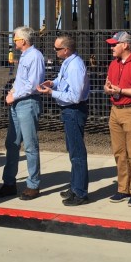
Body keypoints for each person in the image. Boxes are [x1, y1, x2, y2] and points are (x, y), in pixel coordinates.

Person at [0, 26, 45, 201]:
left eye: (15, 39)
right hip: (17, 102)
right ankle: (9, 183)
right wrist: (12, 92)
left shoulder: (35, 56)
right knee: (12, 143)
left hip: (28, 103)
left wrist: (14, 95)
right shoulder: (24, 56)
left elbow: (33, 84)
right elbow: (20, 80)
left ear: (23, 40)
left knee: (30, 145)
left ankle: (33, 185)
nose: (14, 42)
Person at [37, 35, 90, 206]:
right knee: (73, 150)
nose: (55, 51)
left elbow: (74, 97)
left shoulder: (75, 66)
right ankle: (75, 187)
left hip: (74, 110)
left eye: (57, 48)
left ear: (66, 50)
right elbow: (62, 80)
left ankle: (80, 192)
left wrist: (51, 93)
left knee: (77, 153)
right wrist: (52, 83)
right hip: (69, 111)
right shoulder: (68, 63)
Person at [103, 31, 131, 207]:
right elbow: (108, 83)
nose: (112, 47)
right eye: (112, 45)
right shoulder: (114, 64)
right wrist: (109, 89)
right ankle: (123, 188)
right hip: (116, 110)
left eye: (115, 44)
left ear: (125, 45)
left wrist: (120, 91)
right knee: (119, 152)